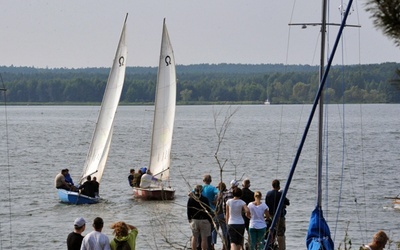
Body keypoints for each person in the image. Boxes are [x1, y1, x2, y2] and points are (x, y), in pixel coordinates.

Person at [265, 179, 290, 250]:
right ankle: (281, 248)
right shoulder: (280, 194)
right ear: (278, 186)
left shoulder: (268, 194)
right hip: (279, 215)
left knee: (272, 231)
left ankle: (271, 245)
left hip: (271, 215)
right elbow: (287, 202)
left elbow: (266, 204)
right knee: (280, 233)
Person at [187, 185, 212, 250]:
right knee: (204, 238)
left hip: (194, 220)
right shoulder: (205, 199)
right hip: (204, 219)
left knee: (194, 237)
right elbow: (208, 210)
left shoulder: (191, 199)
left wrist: (189, 219)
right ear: (202, 190)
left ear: (194, 190)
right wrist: (210, 220)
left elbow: (188, 210)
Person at [201, 174, 218, 250]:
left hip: (202, 210)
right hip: (211, 211)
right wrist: (216, 201)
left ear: (203, 181)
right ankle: (209, 246)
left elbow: (190, 194)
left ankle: (202, 246)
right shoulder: (213, 188)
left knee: (202, 230)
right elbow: (220, 193)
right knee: (210, 230)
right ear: (210, 181)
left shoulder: (201, 188)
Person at [213, 182, 228, 250]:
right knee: (224, 230)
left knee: (214, 230)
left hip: (217, 214)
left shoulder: (217, 195)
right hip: (223, 214)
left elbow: (215, 204)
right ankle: (224, 245)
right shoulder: (226, 195)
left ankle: (212, 245)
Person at [241, 178, 255, 248]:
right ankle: (249, 245)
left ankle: (241, 247)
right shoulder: (252, 194)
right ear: (249, 185)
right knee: (249, 231)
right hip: (249, 214)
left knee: (241, 232)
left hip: (240, 214)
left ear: (242, 184)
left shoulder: (239, 193)